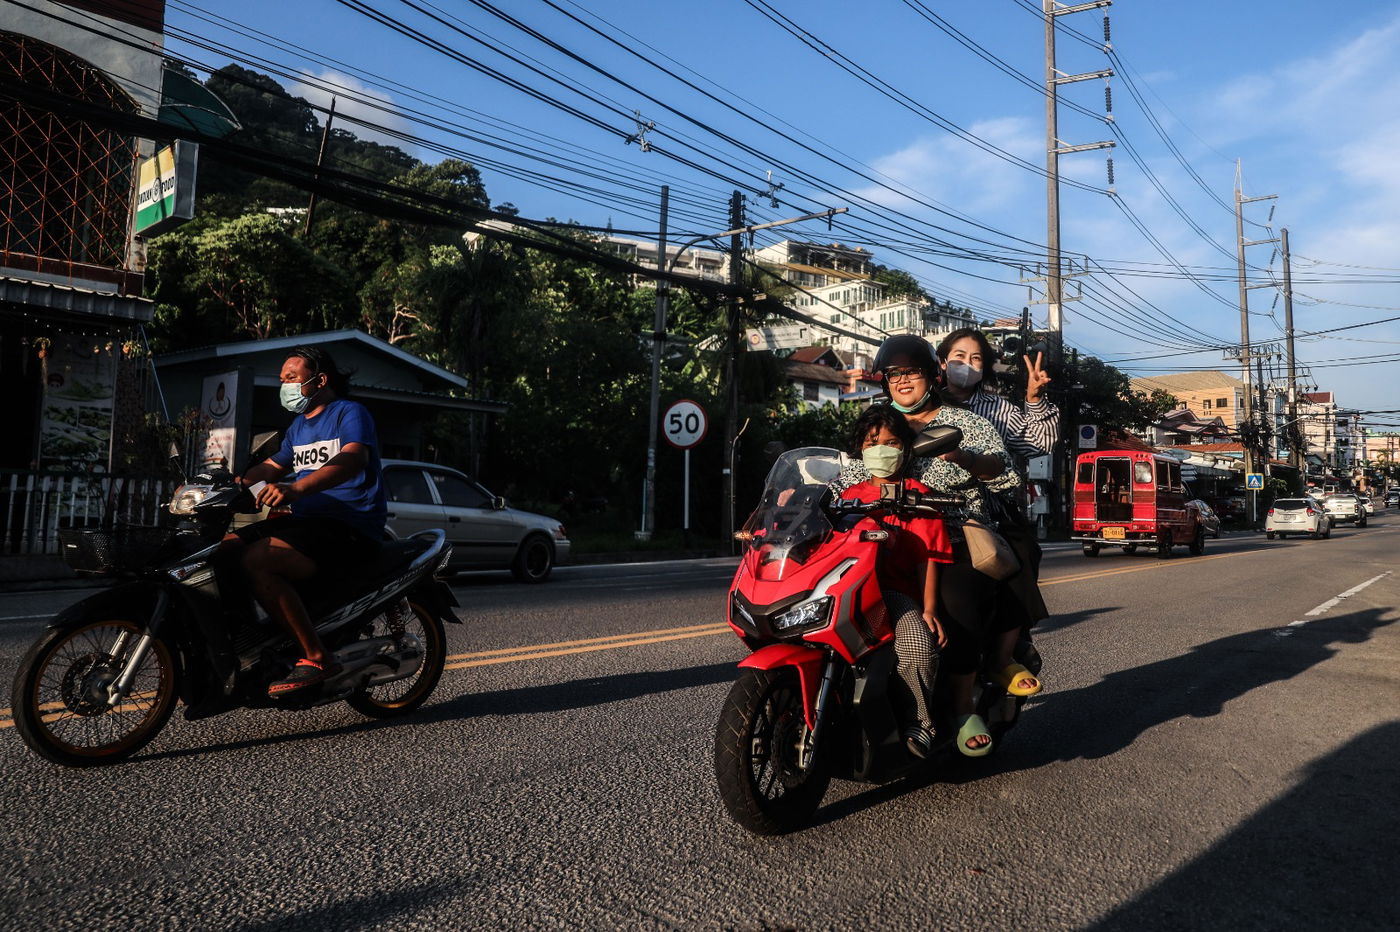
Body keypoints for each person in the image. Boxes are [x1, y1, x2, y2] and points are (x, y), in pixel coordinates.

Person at [834, 335, 1039, 757]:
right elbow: (847, 473)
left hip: (952, 531)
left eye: (912, 372)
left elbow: (1004, 474)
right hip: (880, 535)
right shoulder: (879, 422)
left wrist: (966, 459)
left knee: (954, 599)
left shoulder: (966, 422)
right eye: (894, 375)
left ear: (932, 376)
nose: (902, 381)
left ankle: (963, 708)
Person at [226, 346, 387, 697]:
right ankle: (248, 645)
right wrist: (228, 483)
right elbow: (271, 467)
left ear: (319, 380)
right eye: (282, 379)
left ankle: (316, 656)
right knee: (225, 550)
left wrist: (296, 489)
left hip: (349, 525)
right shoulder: (298, 427)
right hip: (308, 524)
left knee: (258, 560)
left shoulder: (349, 413)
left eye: (291, 378)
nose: (283, 385)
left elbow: (353, 458)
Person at [836, 405, 953, 759]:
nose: (881, 449)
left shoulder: (918, 495)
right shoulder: (848, 496)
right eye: (873, 442)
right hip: (846, 589)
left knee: (918, 645)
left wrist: (930, 608)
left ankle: (921, 721)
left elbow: (928, 557)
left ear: (904, 448)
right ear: (861, 448)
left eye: (890, 442)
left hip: (893, 594)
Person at [936, 327, 1057, 638]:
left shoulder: (997, 408)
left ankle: (1009, 651)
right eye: (958, 357)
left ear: (984, 367)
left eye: (975, 359)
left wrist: (1034, 398)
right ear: (942, 363)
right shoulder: (926, 402)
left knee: (1021, 557)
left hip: (991, 508)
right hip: (928, 506)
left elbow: (1037, 445)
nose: (966, 364)